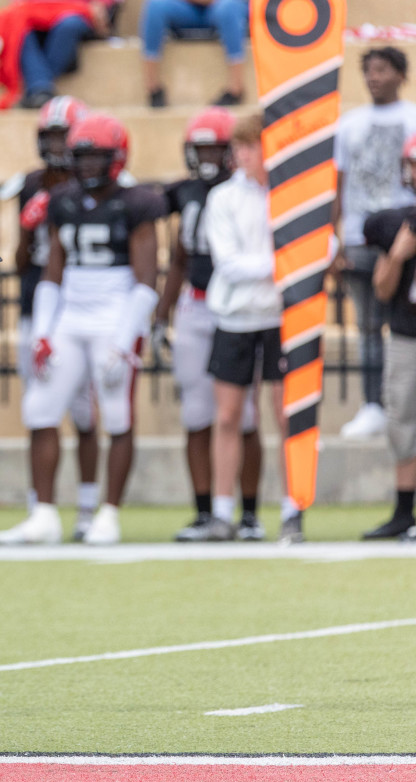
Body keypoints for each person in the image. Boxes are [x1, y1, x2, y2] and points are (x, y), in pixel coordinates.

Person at [12, 113, 163, 546]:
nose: (89, 166)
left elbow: (145, 280)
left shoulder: (137, 203)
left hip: (113, 316)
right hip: (71, 316)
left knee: (116, 415)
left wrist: (124, 338)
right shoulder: (63, 199)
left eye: (97, 157)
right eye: (83, 157)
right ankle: (43, 513)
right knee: (40, 409)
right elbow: (53, 272)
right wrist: (43, 331)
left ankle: (108, 513)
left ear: (116, 157)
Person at [0, 96, 102, 545]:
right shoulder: (30, 183)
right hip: (36, 306)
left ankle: (88, 505)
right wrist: (28, 222)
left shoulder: (98, 184)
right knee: (40, 408)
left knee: (85, 413)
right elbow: (20, 261)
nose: (57, 146)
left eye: (64, 136)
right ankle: (42, 509)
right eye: (51, 137)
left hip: (81, 307)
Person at [155, 107, 265, 542]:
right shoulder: (184, 192)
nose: (207, 158)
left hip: (238, 307)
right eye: (200, 149)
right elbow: (178, 257)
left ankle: (250, 511)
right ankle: (206, 511)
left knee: (247, 415)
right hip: (196, 305)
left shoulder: (246, 192)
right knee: (199, 415)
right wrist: (160, 315)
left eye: (216, 149)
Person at [202, 114, 302, 544]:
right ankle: (222, 514)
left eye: (251, 146)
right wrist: (281, 266)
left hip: (282, 318)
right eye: (239, 147)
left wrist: (288, 267)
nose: (243, 155)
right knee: (227, 416)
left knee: (286, 417)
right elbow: (229, 264)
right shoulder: (223, 198)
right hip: (235, 318)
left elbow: (319, 245)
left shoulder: (292, 193)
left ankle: (292, 509)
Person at [332, 47, 416, 439]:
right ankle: (372, 404)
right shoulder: (350, 124)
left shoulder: (413, 116)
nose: (373, 77)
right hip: (360, 237)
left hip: (406, 236)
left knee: (406, 323)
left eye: (382, 70)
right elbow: (339, 185)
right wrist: (335, 240)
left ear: (401, 74)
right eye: (368, 71)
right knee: (367, 326)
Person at [361, 135, 416, 541]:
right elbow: (381, 290)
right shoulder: (398, 223)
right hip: (406, 335)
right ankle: (403, 512)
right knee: (402, 422)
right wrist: (398, 253)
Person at [0, 0, 116, 110]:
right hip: (37, 19)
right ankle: (41, 86)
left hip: (74, 16)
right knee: (19, 30)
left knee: (68, 26)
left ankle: (39, 85)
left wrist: (101, 6)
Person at [140, 0, 249, 107]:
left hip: (219, 9)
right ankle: (153, 88)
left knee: (230, 5)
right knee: (155, 4)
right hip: (185, 9)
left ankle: (235, 89)